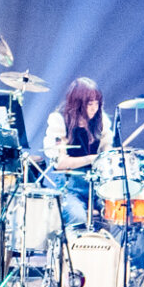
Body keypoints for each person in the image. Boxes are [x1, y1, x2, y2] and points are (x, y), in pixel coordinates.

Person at [44, 77, 114, 231]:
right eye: (90, 104)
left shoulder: (102, 121)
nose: (94, 108)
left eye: (97, 104)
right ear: (77, 104)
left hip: (97, 185)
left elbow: (107, 154)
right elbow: (60, 163)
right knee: (78, 218)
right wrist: (91, 158)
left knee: (116, 213)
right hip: (70, 186)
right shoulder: (60, 120)